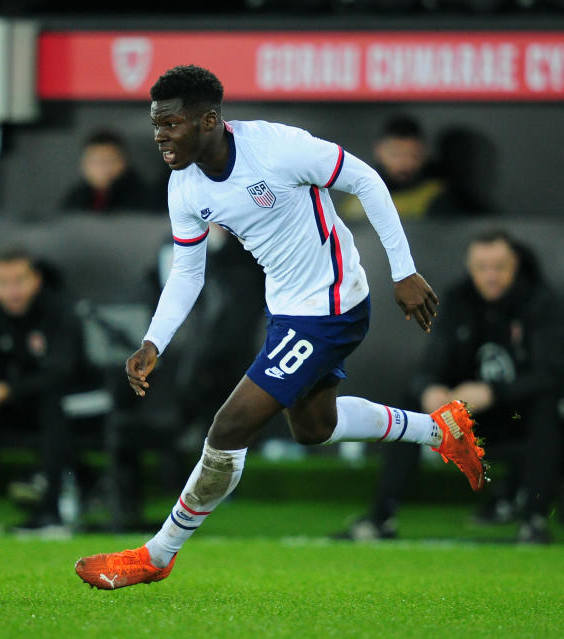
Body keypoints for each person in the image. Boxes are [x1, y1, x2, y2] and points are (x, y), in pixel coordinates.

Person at [74, 65, 487, 590]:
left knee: (228, 429)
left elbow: (365, 178)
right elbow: (187, 270)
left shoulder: (277, 147)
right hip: (290, 309)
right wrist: (155, 339)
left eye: (171, 124)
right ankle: (440, 429)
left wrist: (403, 270)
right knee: (314, 427)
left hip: (332, 306)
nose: (160, 137)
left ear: (208, 120)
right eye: (156, 125)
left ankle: (157, 554)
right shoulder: (184, 186)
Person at [340, 230, 562, 544]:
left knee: (548, 405)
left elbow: (549, 374)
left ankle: (534, 522)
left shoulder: (540, 301)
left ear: (516, 266)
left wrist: (494, 392)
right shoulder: (459, 298)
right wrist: (430, 388)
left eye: (499, 266)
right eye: (482, 267)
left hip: (517, 419)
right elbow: (432, 360)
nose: (491, 275)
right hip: (466, 418)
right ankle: (381, 518)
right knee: (411, 399)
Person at [0, 247, 95, 537]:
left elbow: (62, 373)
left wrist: (6, 390)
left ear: (36, 280)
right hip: (22, 397)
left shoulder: (61, 307)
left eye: (19, 281)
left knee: (53, 406)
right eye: (2, 283)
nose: (11, 291)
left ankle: (51, 513)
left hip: (76, 399)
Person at [337, 115, 445, 221]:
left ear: (424, 153)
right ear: (379, 151)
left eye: (412, 155)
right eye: (395, 154)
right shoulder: (358, 198)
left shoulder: (437, 196)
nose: (404, 163)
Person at [60, 130, 159, 213]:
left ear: (123, 163)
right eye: (95, 161)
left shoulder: (141, 199)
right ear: (83, 165)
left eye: (108, 161)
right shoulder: (76, 198)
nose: (101, 168)